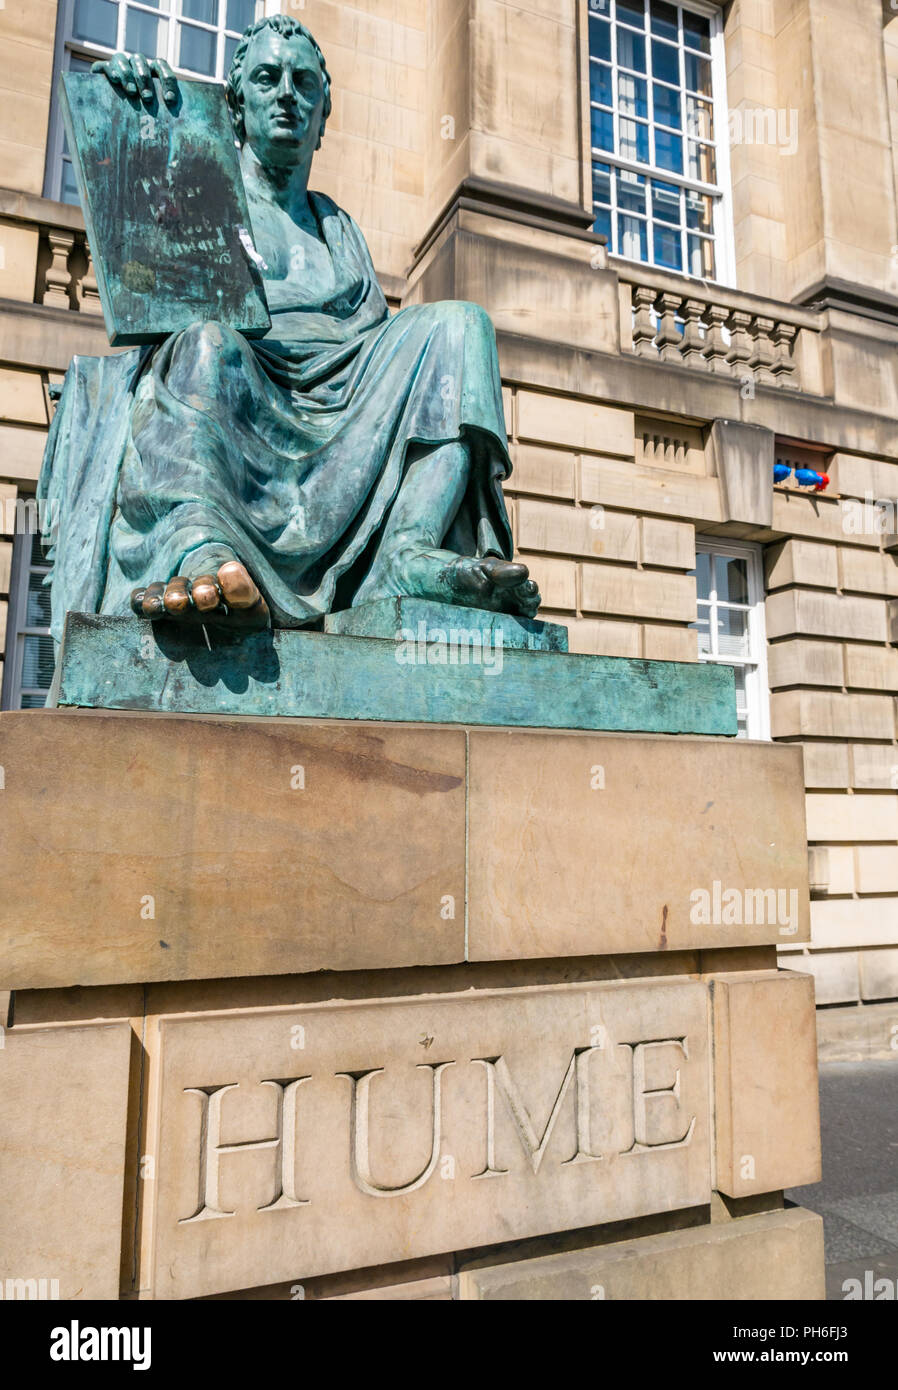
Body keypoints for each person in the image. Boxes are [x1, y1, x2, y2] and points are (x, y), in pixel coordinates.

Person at [39, 13, 540, 637]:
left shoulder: (337, 226)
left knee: (462, 324)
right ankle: (202, 552)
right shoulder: (203, 193)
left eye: (304, 83)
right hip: (243, 392)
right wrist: (129, 103)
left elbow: (375, 340)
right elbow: (148, 263)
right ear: (236, 102)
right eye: (268, 77)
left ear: (323, 117)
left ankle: (409, 550)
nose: (286, 94)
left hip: (347, 391)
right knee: (206, 344)